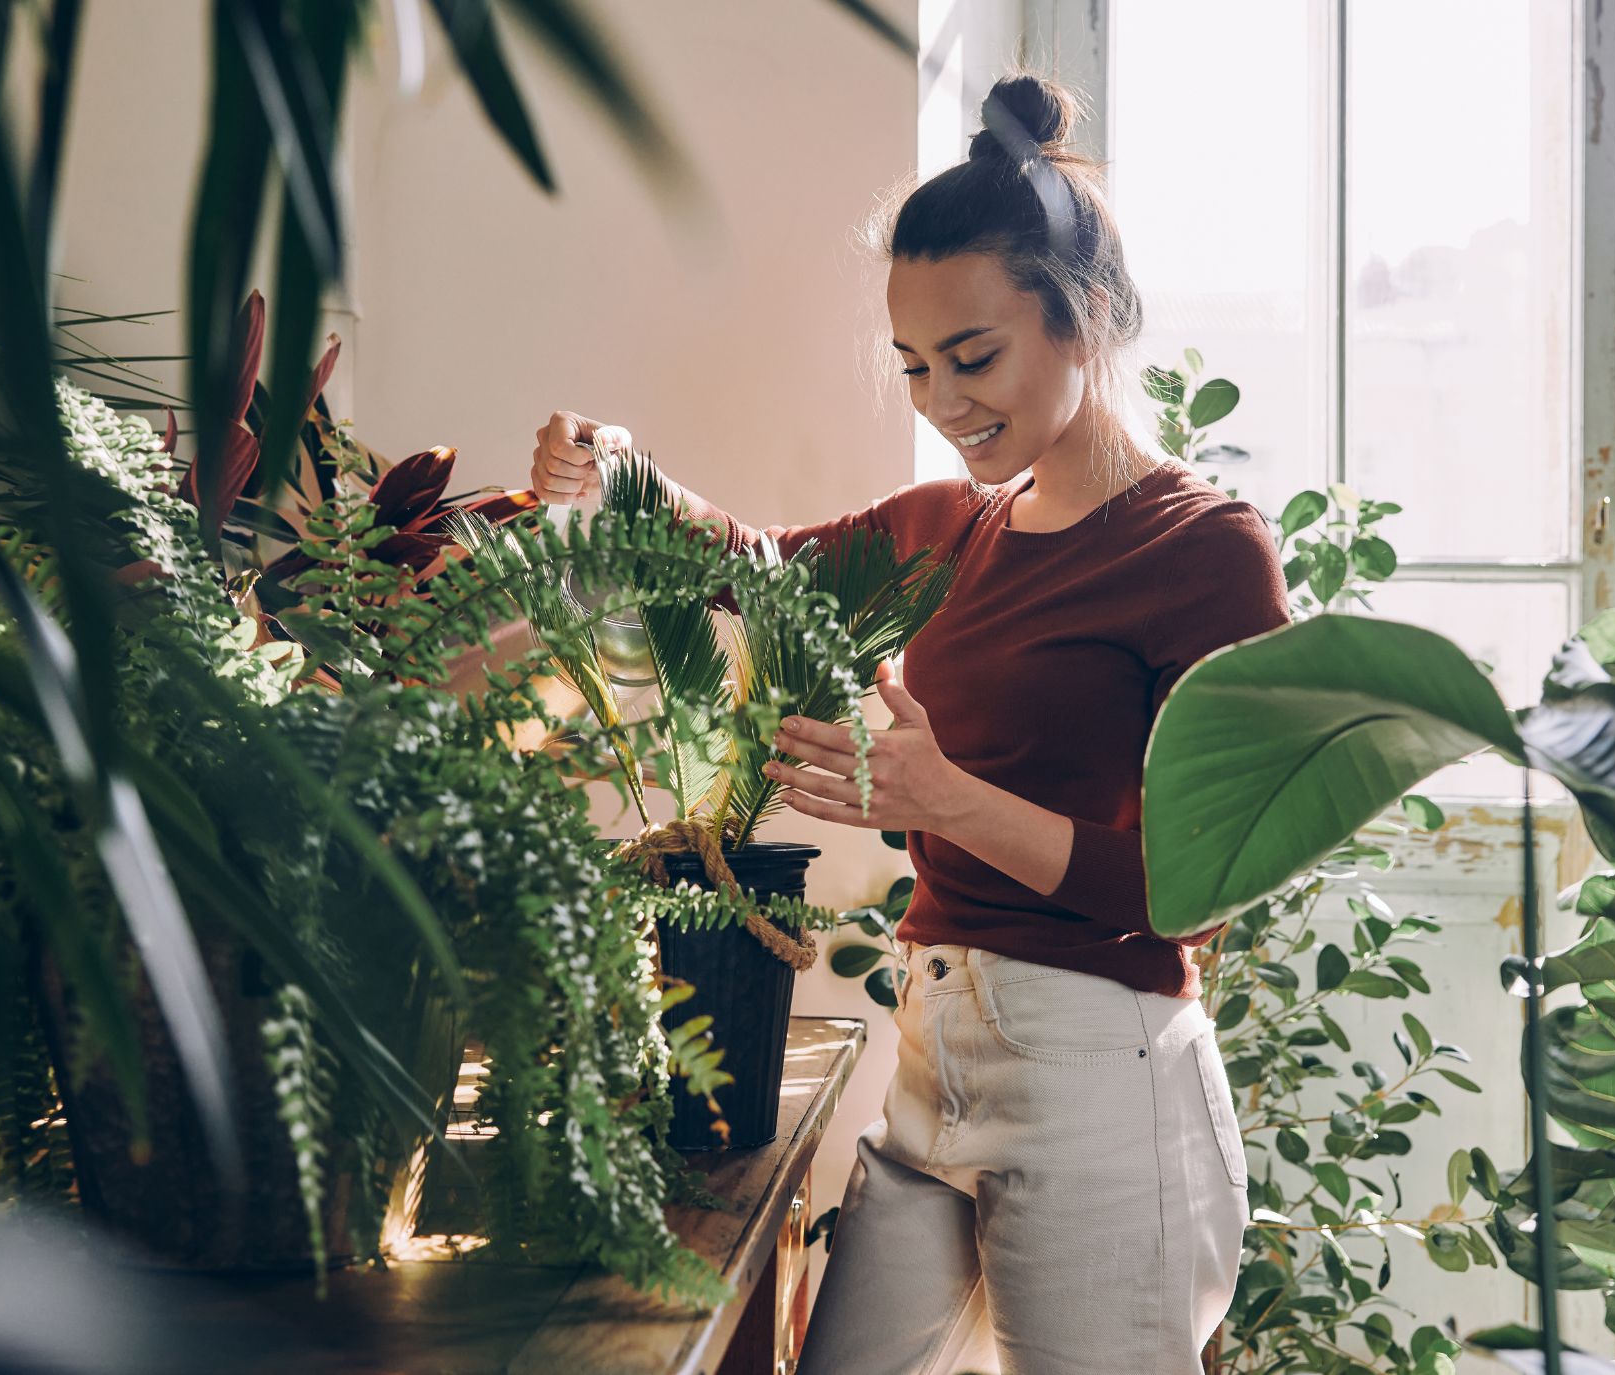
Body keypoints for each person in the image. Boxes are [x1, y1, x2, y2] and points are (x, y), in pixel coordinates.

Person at [530, 72, 1287, 1375]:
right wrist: (615, 466)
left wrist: (947, 802)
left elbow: (1196, 893)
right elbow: (754, 563)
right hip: (937, 1066)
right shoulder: (948, 530)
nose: (940, 399)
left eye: (975, 356)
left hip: (1104, 1077)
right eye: (914, 365)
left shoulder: (1206, 552)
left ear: (1087, 318)